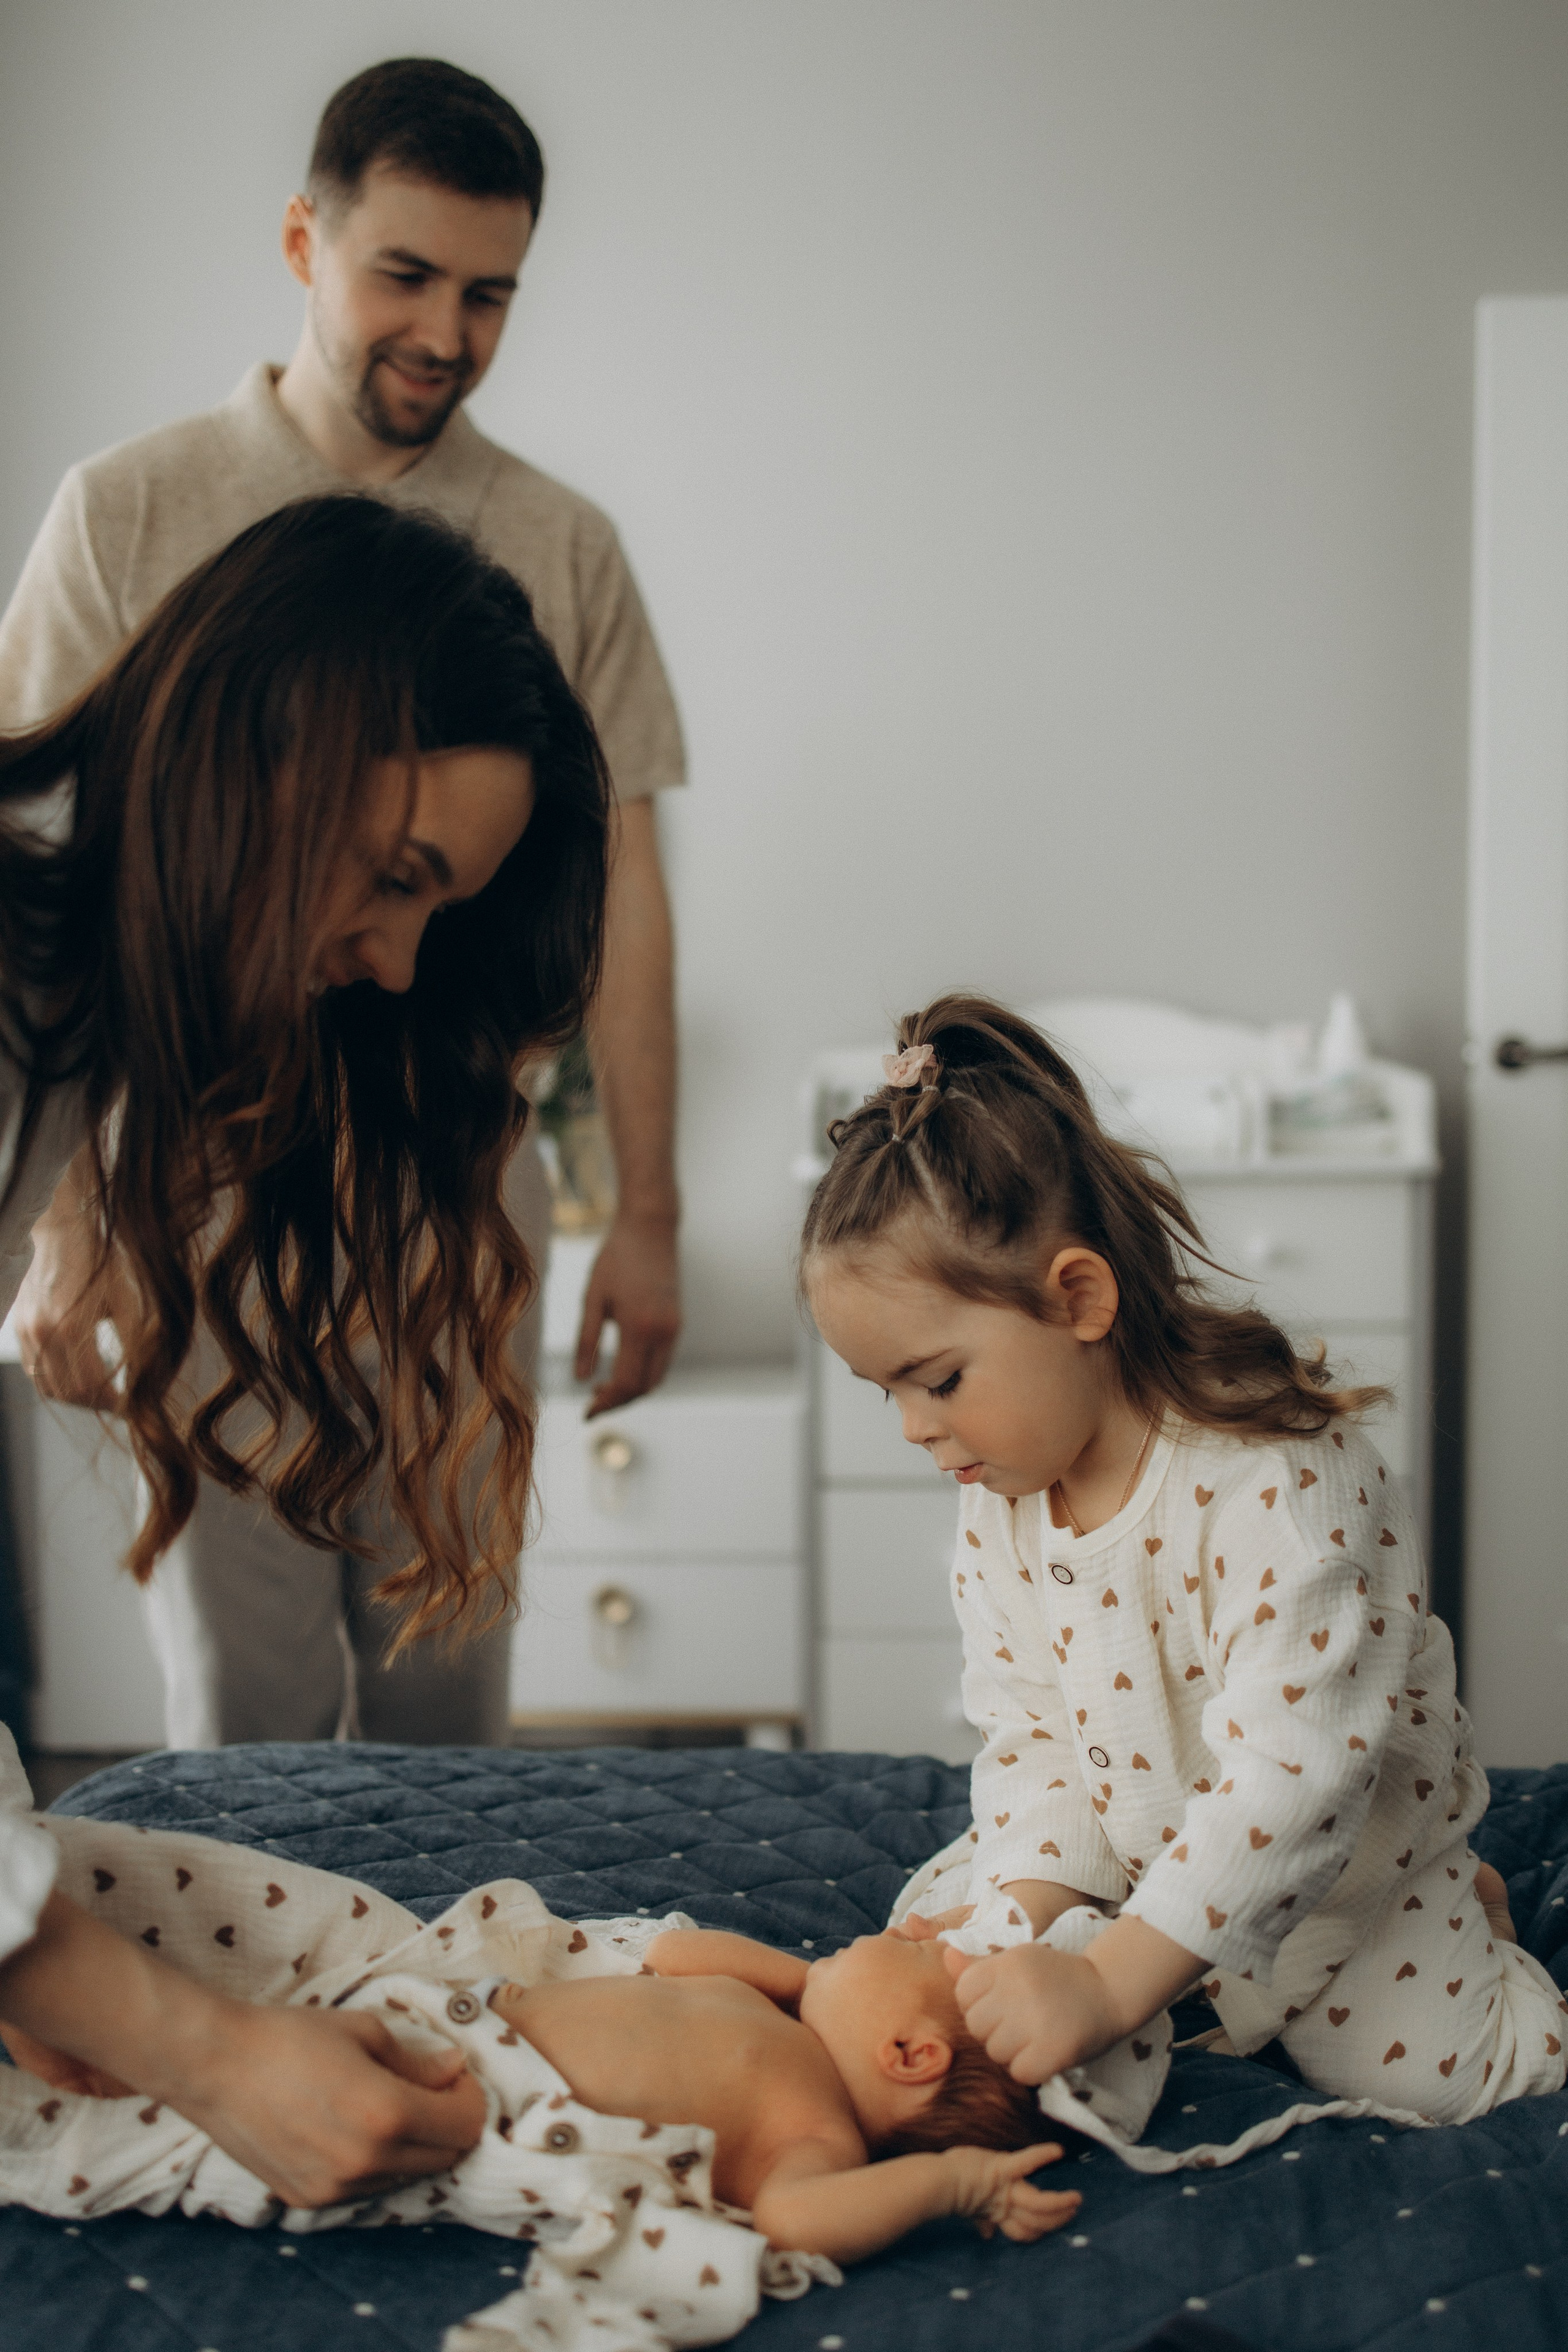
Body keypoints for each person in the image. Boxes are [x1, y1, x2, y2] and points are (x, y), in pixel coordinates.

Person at [0, 55, 684, 1748]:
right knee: (249, 1696)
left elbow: (631, 898)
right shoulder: (132, 510)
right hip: (202, 1185)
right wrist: (77, 1212)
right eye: (406, 275)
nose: (446, 332)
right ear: (306, 242)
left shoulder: (559, 542)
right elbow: (71, 887)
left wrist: (647, 1212)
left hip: (457, 1178)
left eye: (490, 294)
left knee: (453, 1667)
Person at [0, 489, 612, 2199]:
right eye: (397, 880)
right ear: (269, 750)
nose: (399, 966)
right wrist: (179, 2040)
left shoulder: (61, 1016)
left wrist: (50, 1953)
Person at [801, 995, 1568, 2127]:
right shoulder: (1002, 1486)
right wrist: (1024, 1921)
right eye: (889, 1393)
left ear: (1079, 1298)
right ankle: (1159, 1951)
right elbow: (1033, 1734)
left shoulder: (1278, 1484)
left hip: (1338, 1866)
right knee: (964, 1967)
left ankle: (1470, 1922)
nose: (916, 1428)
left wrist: (1111, 1983)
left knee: (1425, 2080)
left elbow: (1293, 1772)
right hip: (1136, 1842)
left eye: (940, 1379)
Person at [1, 1804, 1080, 2274]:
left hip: (437, 2100)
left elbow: (798, 2223)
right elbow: (665, 1956)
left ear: (911, 2053)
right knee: (190, 1905)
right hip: (414, 1994)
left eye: (918, 1953)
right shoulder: (784, 2009)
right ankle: (64, 1946)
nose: (899, 1930)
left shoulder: (812, 2139)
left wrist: (953, 2187)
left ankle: (67, 2089)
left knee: (162, 2139)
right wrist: (807, 1979)